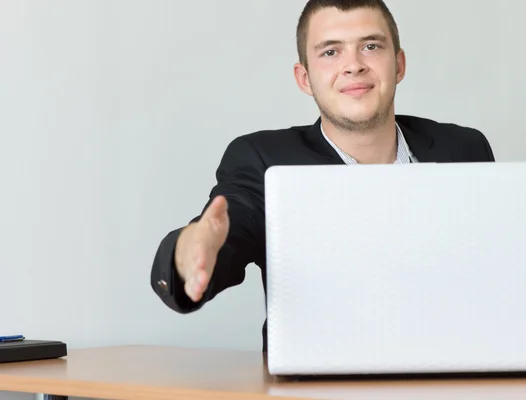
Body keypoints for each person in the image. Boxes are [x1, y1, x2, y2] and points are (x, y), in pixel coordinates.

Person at [150, 0, 495, 352]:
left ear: (399, 64)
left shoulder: (465, 148)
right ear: (305, 78)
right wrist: (188, 252)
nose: (354, 66)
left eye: (371, 47)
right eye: (331, 52)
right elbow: (228, 230)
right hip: (321, 383)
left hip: (455, 370)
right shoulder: (264, 160)